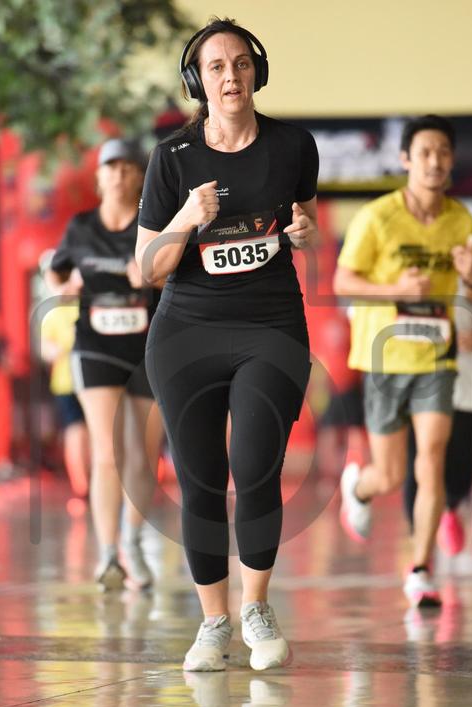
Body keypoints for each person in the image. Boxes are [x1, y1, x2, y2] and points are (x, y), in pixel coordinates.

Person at [136, 18, 318, 670]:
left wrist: (307, 235)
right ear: (198, 81)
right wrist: (186, 218)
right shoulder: (173, 158)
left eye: (240, 63)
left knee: (256, 464)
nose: (231, 76)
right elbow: (146, 268)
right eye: (216, 66)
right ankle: (214, 623)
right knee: (201, 480)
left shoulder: (293, 146)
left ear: (256, 72)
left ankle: (257, 609)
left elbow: (304, 221)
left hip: (271, 327)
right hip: (186, 335)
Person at [334, 115, 472, 607]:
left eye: (443, 152)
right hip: (383, 356)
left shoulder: (461, 220)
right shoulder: (377, 217)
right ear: (405, 160)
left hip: (436, 357)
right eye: (425, 152)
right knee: (391, 474)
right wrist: (395, 289)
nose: (435, 161)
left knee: (432, 461)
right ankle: (360, 488)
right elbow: (342, 282)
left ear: (452, 160)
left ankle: (420, 569)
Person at [46, 138, 164, 591]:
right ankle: (108, 555)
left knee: (143, 454)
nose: (118, 175)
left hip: (148, 349)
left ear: (140, 177)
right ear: (98, 177)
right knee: (107, 453)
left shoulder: (153, 225)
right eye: (110, 167)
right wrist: (61, 285)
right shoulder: (80, 227)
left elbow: (179, 274)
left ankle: (133, 541)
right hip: (95, 347)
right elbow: (55, 269)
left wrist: (151, 275)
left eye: (127, 167)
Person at [403, 259, 472, 553]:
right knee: (420, 457)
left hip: (465, 381)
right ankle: (418, 545)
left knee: (461, 463)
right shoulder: (401, 260)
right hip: (418, 376)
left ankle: (451, 506)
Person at [40, 298, 90, 501]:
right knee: (79, 432)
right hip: (72, 383)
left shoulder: (58, 313)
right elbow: (47, 351)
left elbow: (47, 351)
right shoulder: (57, 314)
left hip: (81, 382)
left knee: (81, 432)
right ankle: (82, 483)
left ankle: (84, 484)